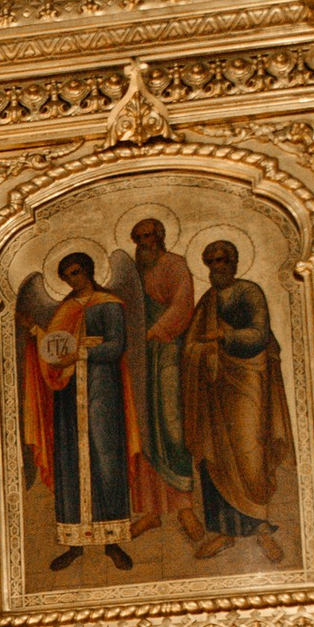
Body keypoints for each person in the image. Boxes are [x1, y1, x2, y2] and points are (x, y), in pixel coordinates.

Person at [180, 238, 293, 561]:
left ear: (234, 262)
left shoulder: (249, 292)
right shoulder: (207, 302)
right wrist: (201, 351)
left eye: (223, 259)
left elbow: (259, 334)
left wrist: (224, 336)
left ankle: (260, 529)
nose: (218, 266)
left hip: (247, 381)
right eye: (212, 261)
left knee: (250, 452)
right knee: (214, 457)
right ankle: (223, 532)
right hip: (213, 389)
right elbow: (191, 345)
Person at [23, 251, 137, 566]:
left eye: (76, 273)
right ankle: (74, 543)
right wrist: (37, 333)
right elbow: (56, 346)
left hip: (103, 390)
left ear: (87, 271)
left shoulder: (109, 304)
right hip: (69, 394)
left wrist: (81, 356)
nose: (73, 280)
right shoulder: (67, 309)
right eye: (66, 276)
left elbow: (116, 345)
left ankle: (112, 541)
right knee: (70, 461)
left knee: (106, 458)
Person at [129, 215, 198, 540]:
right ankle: (151, 511)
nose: (146, 242)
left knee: (172, 424)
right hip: (141, 356)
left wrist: (158, 329)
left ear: (161, 237)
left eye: (150, 236)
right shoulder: (133, 271)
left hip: (168, 349)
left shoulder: (175, 264)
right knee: (143, 427)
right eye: (140, 238)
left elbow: (183, 301)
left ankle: (185, 507)